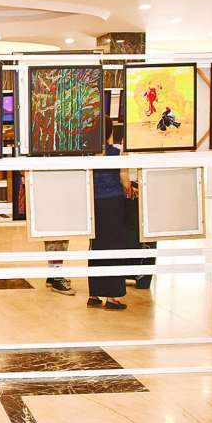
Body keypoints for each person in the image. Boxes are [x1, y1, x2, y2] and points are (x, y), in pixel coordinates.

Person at [87, 118, 134, 310]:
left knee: (96, 246)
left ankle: (94, 294)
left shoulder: (88, 153)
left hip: (94, 204)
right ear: (109, 132)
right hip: (113, 203)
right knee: (114, 247)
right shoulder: (117, 152)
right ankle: (112, 297)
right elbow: (125, 181)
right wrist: (129, 188)